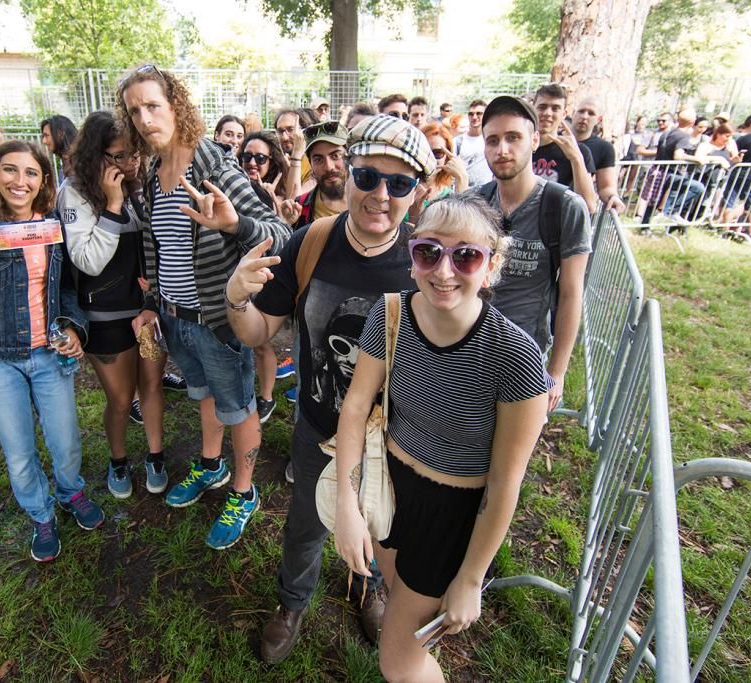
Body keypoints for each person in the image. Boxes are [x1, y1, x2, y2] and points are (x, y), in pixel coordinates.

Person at [224, 113, 437, 661]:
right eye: (368, 177)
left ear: (416, 193)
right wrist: (235, 297)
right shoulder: (311, 243)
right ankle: (293, 603)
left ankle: (366, 586)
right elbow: (257, 334)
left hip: (397, 436)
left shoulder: (427, 259)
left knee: (383, 522)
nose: (380, 195)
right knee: (306, 524)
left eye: (399, 184)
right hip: (318, 424)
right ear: (348, 171)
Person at [334, 193, 548, 682]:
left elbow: (504, 482)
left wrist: (470, 579)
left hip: (451, 513)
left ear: (491, 267)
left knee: (398, 662)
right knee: (397, 592)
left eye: (466, 255)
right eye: (429, 251)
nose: (444, 270)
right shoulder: (389, 315)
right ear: (412, 258)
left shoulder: (517, 357)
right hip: (387, 488)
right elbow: (353, 409)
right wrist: (348, 504)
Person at [117, 64, 290, 550]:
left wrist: (235, 226)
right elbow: (157, 249)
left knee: (238, 406)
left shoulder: (211, 163)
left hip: (219, 320)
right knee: (204, 396)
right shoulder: (153, 172)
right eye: (135, 110)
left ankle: (244, 490)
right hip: (176, 318)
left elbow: (278, 233)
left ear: (176, 106)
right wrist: (153, 303)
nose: (145, 117)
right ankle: (211, 465)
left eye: (153, 105)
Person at [0, 140, 105, 563]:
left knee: (65, 441)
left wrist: (73, 328)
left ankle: (71, 493)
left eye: (31, 173)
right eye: (10, 170)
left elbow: (65, 289)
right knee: (18, 453)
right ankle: (40, 515)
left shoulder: (49, 227)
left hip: (48, 354)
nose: (20, 181)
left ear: (44, 180)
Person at [56, 110, 169, 499]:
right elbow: (87, 260)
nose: (128, 163)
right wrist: (113, 204)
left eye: (134, 154)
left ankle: (156, 454)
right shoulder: (75, 192)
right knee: (121, 400)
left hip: (146, 314)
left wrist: (152, 298)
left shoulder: (143, 186)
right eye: (117, 156)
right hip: (104, 319)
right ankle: (118, 460)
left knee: (152, 385)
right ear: (95, 154)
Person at [478, 95, 591, 412]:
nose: (502, 150)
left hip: (525, 354)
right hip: (471, 346)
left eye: (513, 137)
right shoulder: (474, 202)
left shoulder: (564, 206)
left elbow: (571, 293)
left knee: (511, 455)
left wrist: (556, 372)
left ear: (535, 140)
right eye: (493, 140)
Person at [237, 130, 291, 425]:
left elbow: (283, 233)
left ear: (272, 161)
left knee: (260, 341)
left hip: (265, 272)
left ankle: (267, 396)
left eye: (260, 158)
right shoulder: (232, 186)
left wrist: (273, 204)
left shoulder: (277, 192)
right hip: (236, 271)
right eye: (247, 156)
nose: (253, 163)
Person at [531, 84, 598, 213]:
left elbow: (588, 206)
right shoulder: (521, 147)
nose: (547, 113)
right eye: (542, 107)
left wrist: (575, 158)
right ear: (533, 109)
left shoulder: (579, 151)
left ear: (564, 114)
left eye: (555, 108)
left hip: (555, 226)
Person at [282, 120, 349, 229]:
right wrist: (287, 226)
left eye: (335, 155)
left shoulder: (368, 203)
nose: (329, 167)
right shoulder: (301, 207)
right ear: (310, 164)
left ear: (349, 156)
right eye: (318, 159)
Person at [571, 97, 626, 212]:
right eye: (581, 111)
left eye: (591, 113)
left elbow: (606, 187)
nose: (584, 117)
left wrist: (613, 197)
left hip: (577, 208)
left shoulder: (604, 148)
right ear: (573, 113)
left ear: (598, 119)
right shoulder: (553, 138)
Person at [408, 121, 469, 224]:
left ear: (447, 157)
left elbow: (461, 229)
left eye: (438, 153)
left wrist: (462, 179)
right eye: (426, 151)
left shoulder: (451, 196)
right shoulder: (402, 187)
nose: (431, 158)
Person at [275, 107, 320, 199]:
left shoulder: (315, 161)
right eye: (280, 131)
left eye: (290, 129)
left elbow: (295, 200)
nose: (285, 137)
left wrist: (296, 155)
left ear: (303, 131)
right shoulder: (278, 159)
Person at [454, 99, 492, 189]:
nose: (474, 117)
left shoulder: (491, 140)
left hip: (486, 193)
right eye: (471, 114)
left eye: (479, 113)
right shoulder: (458, 141)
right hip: (464, 193)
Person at [40, 115, 78, 183]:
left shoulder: (82, 162)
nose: (44, 141)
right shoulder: (67, 160)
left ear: (60, 134)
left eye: (46, 135)